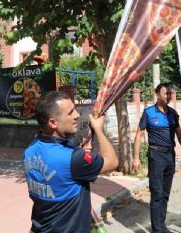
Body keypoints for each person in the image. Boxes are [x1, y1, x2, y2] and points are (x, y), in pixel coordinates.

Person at [23, 91, 119, 232]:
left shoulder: (30, 150)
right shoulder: (73, 159)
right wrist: (99, 130)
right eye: (70, 112)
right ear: (53, 123)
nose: (77, 115)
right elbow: (112, 162)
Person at [132, 83, 181, 233]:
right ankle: (157, 230)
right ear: (158, 94)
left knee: (165, 194)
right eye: (166, 93)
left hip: (170, 156)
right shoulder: (148, 113)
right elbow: (139, 135)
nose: (169, 96)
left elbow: (180, 134)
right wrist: (136, 158)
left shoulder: (173, 113)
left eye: (171, 94)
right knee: (157, 193)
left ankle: (161, 225)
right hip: (156, 156)